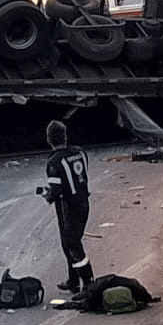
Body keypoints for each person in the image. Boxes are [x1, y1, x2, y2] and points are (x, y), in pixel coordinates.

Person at [42, 120, 94, 294]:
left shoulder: (54, 162)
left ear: (49, 139)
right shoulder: (79, 152)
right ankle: (73, 281)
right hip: (84, 202)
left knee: (70, 244)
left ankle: (87, 282)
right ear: (65, 136)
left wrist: (48, 196)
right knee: (74, 240)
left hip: (68, 207)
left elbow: (56, 190)